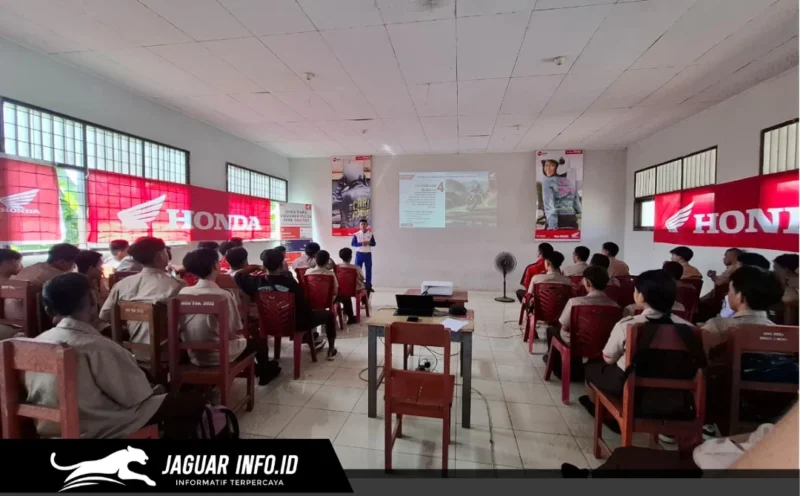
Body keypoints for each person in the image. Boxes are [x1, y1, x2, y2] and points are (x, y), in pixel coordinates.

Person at [26, 272, 205, 439]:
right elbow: (136, 396)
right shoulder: (97, 347)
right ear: (92, 298)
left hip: (50, 427)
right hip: (97, 426)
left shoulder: (35, 343)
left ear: (48, 308)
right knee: (190, 403)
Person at [581, 270, 695, 406]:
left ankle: (599, 407)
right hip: (674, 393)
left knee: (591, 368)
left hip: (631, 385)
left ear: (640, 296)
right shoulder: (690, 329)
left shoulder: (629, 324)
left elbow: (609, 358)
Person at [178, 249, 279, 385]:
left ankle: (262, 369)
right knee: (259, 343)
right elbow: (234, 328)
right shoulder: (223, 295)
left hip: (194, 355)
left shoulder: (182, 293)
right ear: (215, 265)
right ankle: (265, 374)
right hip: (219, 354)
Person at [235, 249, 338, 360]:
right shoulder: (290, 282)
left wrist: (254, 268)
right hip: (295, 323)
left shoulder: (255, 282)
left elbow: (238, 276)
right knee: (329, 315)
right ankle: (331, 349)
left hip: (268, 323)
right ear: (281, 264)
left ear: (264, 265)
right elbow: (303, 305)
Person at [99, 237, 183, 351]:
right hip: (169, 353)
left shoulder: (121, 285)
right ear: (160, 256)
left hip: (132, 352)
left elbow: (105, 315)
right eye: (165, 251)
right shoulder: (177, 285)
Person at [544, 266, 619, 379]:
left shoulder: (575, 302)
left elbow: (564, 325)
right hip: (602, 346)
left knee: (552, 330)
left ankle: (559, 367)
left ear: (587, 283)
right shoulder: (616, 306)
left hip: (577, 344)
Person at [3, 244, 81, 336]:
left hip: (10, 316)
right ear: (62, 262)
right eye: (73, 264)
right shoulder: (56, 276)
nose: (74, 267)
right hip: (31, 320)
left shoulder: (33, 267)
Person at [702, 266, 784, 353]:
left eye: (730, 290)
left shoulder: (717, 326)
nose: (728, 295)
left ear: (740, 296)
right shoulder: (781, 334)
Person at [307, 250, 355, 325]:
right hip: (328, 299)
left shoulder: (308, 272)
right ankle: (351, 318)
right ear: (327, 262)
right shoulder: (330, 273)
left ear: (315, 260)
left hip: (312, 299)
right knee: (346, 298)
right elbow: (335, 289)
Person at [351, 218, 375, 288]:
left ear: (367, 225)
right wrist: (361, 244)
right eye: (362, 224)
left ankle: (368, 286)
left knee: (368, 270)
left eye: (364, 224)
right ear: (359, 226)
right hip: (359, 254)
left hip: (368, 254)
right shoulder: (356, 234)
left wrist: (369, 242)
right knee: (358, 271)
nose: (363, 225)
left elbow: (374, 244)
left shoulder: (370, 234)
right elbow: (353, 244)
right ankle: (358, 286)